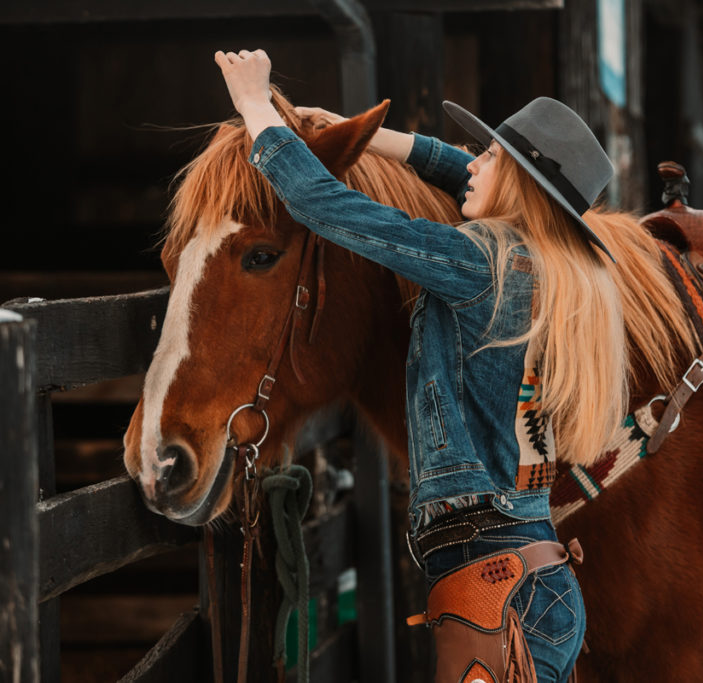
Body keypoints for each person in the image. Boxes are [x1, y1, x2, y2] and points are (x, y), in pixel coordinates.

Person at [216, 48, 623, 682]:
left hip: (494, 587)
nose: (474, 162)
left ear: (517, 181)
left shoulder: (477, 262)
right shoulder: (547, 268)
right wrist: (373, 138)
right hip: (528, 576)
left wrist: (253, 107)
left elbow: (329, 207)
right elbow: (459, 170)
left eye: (491, 155)